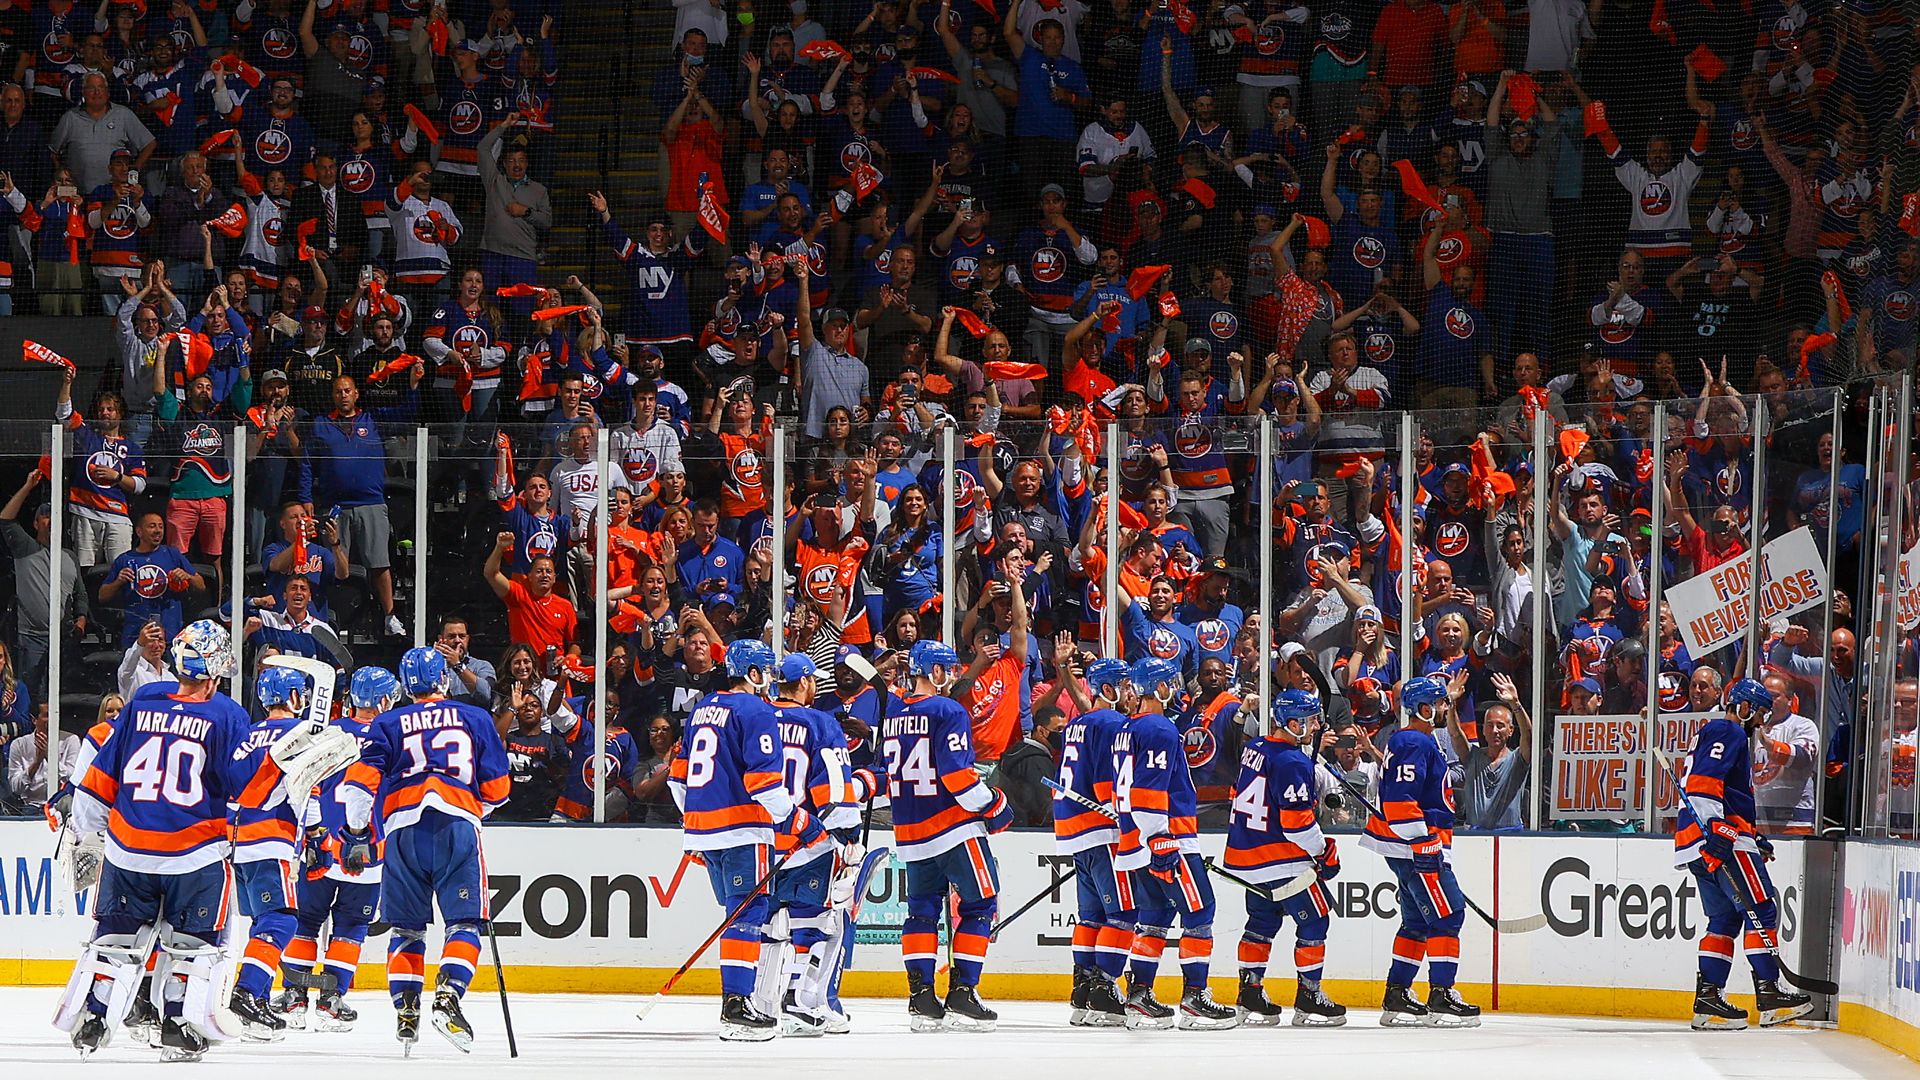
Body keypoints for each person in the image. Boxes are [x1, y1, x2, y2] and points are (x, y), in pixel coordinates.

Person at [56, 621, 251, 1060]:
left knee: (115, 941)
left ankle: (92, 1018)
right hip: (195, 854)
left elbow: (100, 776)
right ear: (217, 668)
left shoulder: (142, 700)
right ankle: (179, 1026)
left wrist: (87, 833)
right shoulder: (228, 714)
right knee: (192, 945)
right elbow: (242, 789)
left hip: (127, 850)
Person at [342, 646, 510, 1052]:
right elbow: (499, 789)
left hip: (402, 831)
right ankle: (449, 996)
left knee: (405, 929)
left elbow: (358, 784)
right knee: (465, 925)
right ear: (444, 680)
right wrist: (471, 809)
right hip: (457, 827)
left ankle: (406, 1010)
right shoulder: (473, 717)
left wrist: (358, 832)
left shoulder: (387, 721)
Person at [667, 639, 823, 1041]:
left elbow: (677, 779)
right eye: (766, 672)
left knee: (741, 913)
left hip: (704, 829)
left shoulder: (702, 708)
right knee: (748, 915)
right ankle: (736, 1006)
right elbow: (765, 784)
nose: (769, 680)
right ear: (753, 673)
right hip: (743, 829)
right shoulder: (757, 710)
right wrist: (798, 819)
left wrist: (697, 828)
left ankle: (739, 1002)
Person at [880, 638, 1013, 1032]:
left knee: (921, 910)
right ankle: (962, 993)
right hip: (954, 828)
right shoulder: (947, 709)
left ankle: (921, 997)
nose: (954, 675)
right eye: (949, 669)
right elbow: (957, 776)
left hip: (910, 830)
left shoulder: (894, 713)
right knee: (980, 905)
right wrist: (993, 804)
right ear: (935, 672)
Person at [1675, 677, 1813, 1030]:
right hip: (1721, 840)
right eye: (1759, 712)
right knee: (1762, 908)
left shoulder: (1724, 734)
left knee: (1724, 920)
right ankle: (1769, 994)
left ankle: (1708, 1001)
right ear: (1744, 706)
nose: (1760, 721)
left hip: (1702, 840)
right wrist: (1719, 833)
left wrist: (1753, 834)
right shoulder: (1729, 731)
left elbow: (1726, 795)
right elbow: (1703, 784)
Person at [1112, 656, 1238, 1030]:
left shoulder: (1127, 728)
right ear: (1159, 686)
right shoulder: (1160, 728)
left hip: (1135, 843)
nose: (1178, 688)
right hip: (1169, 840)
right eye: (1171, 681)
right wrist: (1160, 839)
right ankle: (1196, 998)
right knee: (1200, 911)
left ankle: (1139, 998)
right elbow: (1149, 792)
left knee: (1155, 916)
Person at [272, 666, 398, 1032]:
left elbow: (303, 784)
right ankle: (331, 1001)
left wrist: (310, 836)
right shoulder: (390, 735)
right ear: (385, 699)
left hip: (321, 845)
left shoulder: (326, 732)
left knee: (306, 922)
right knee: (352, 926)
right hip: (367, 849)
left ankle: (295, 997)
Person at [1361, 675, 1481, 1026]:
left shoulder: (1415, 739)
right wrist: (1422, 842)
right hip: (1416, 845)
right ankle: (1441, 994)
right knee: (1448, 915)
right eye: (1441, 703)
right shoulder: (1414, 740)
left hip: (1407, 845)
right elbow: (1400, 801)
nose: (1445, 708)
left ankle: (1397, 994)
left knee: (1416, 920)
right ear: (1425, 709)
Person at [1225, 689, 1347, 1026]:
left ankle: (1249, 994)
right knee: (1315, 921)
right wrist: (1323, 852)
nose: (1316, 726)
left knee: (1261, 925)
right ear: (1292, 722)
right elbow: (1296, 825)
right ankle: (1309, 997)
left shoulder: (1256, 747)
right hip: (1283, 859)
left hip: (1248, 856)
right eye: (1309, 720)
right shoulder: (1292, 761)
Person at [760, 653, 866, 1032]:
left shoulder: (755, 717)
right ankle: (796, 999)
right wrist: (848, 835)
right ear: (804, 682)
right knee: (818, 920)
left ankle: (763, 1002)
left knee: (767, 924)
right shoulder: (820, 723)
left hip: (761, 843)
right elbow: (833, 789)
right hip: (808, 842)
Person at [226, 664, 324, 1040]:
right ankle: (248, 991)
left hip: (238, 840)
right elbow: (306, 788)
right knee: (282, 920)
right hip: (272, 837)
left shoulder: (247, 736)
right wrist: (317, 837)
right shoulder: (300, 734)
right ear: (296, 696)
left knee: (261, 921)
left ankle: (259, 1004)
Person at [1053, 658, 1134, 1027]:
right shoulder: (1115, 723)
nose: (1130, 690)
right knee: (1121, 913)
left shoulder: (1077, 724)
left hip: (1076, 830)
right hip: (1104, 829)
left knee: (1091, 916)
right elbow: (1107, 783)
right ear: (1107, 688)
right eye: (1123, 683)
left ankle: (1083, 991)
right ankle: (1103, 989)